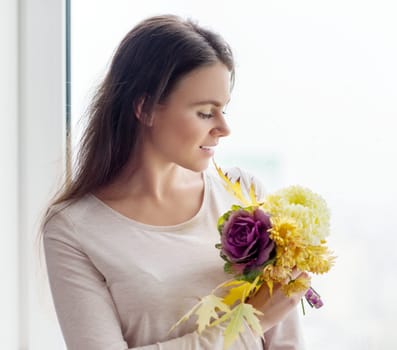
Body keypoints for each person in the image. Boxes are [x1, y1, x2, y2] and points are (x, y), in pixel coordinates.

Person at [42, 14, 307, 349]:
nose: (224, 128)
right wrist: (250, 326)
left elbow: (288, 343)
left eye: (224, 109)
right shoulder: (73, 229)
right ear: (146, 108)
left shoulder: (244, 193)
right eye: (205, 112)